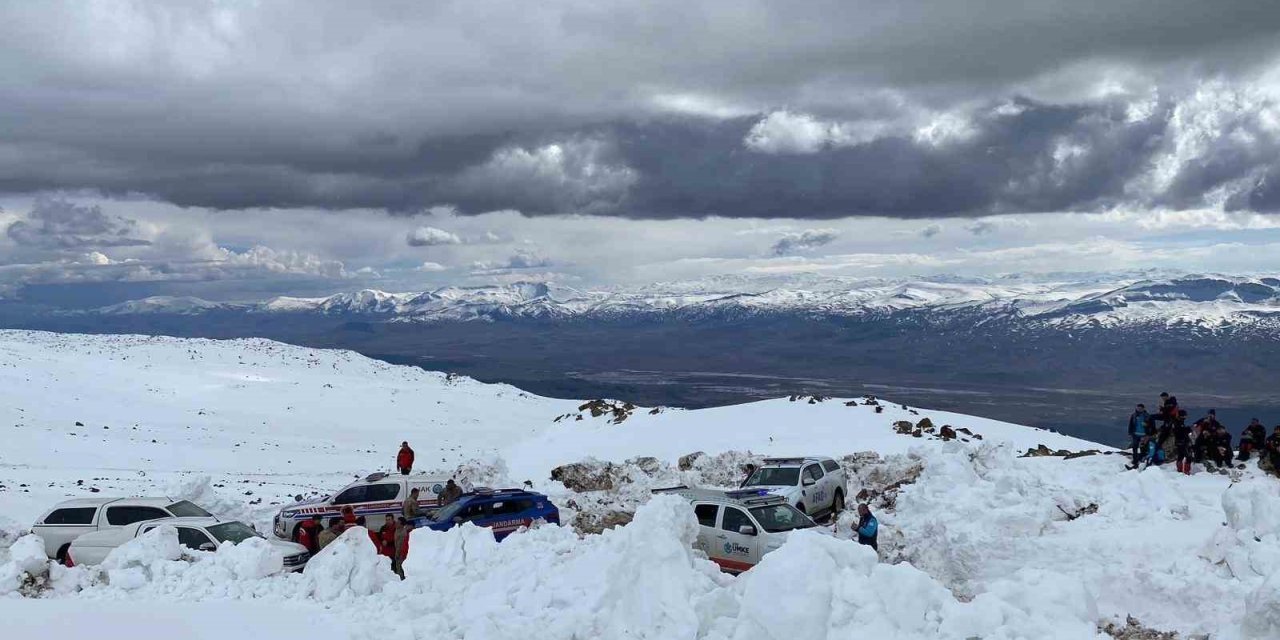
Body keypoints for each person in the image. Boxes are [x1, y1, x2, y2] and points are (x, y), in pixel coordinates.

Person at [1127, 404, 1153, 468]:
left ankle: (1141, 460)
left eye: (1140, 408)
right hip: (1135, 434)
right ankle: (1135, 460)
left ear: (1143, 408)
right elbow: (1131, 424)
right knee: (1134, 447)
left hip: (1144, 435)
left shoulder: (1147, 416)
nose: (1139, 409)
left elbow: (1151, 425)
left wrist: (1147, 426)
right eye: (1138, 408)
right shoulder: (1134, 415)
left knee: (1143, 448)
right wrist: (1130, 432)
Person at [1173, 409, 1193, 475]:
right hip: (1182, 441)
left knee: (1180, 456)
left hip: (1179, 441)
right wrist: (1188, 429)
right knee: (1188, 456)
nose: (1185, 417)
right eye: (1184, 416)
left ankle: (1180, 471)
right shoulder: (1178, 423)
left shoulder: (1178, 422)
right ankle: (1186, 471)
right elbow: (1180, 432)